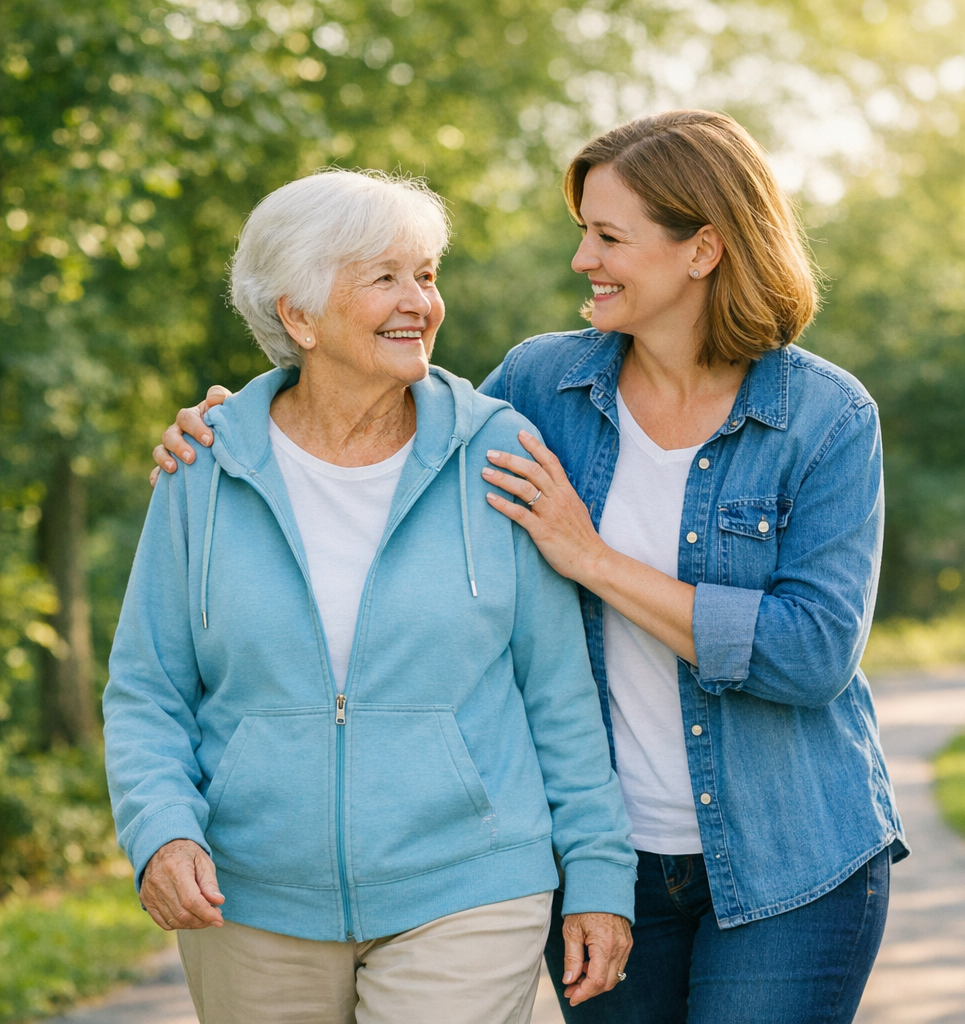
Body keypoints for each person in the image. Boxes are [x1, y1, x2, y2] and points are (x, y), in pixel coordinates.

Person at [154, 111, 907, 1024]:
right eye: (582, 231)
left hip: (791, 856)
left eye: (609, 237)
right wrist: (242, 423)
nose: (583, 259)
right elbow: (391, 415)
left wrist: (591, 558)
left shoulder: (823, 418)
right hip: (606, 857)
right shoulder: (542, 390)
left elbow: (813, 652)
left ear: (702, 249)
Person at [107, 168, 637, 1024]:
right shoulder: (204, 468)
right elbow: (149, 687)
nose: (419, 302)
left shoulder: (496, 450)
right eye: (383, 277)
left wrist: (601, 874)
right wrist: (160, 830)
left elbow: (558, 691)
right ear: (298, 314)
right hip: (248, 895)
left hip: (470, 881)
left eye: (425, 274)